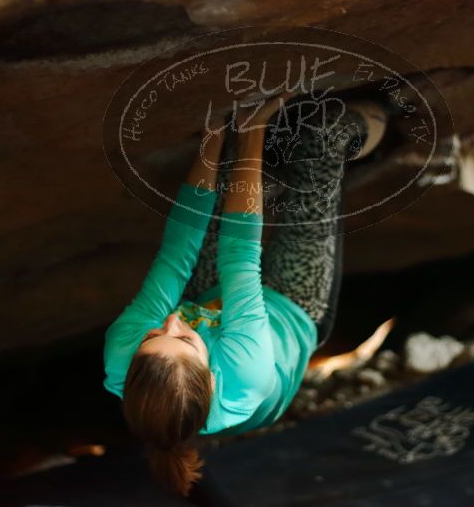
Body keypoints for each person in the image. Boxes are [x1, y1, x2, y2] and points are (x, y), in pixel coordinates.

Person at [102, 91, 386, 497]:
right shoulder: (244, 374)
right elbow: (239, 256)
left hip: (214, 295)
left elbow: (176, 254)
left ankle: (257, 156)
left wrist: (215, 134)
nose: (173, 320)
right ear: (212, 378)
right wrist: (254, 124)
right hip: (292, 308)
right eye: (185, 339)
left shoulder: (120, 357)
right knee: (323, 137)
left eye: (153, 336)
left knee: (225, 163)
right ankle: (379, 126)